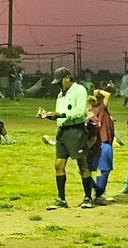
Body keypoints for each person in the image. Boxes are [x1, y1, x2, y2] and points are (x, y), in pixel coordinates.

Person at [37, 67, 95, 210]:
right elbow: (60, 115)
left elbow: (79, 113)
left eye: (59, 82)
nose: (58, 85)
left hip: (76, 130)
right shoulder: (60, 95)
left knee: (82, 164)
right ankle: (61, 199)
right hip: (62, 131)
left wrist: (60, 115)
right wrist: (48, 115)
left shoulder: (80, 90)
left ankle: (88, 197)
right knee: (59, 164)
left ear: (67, 78)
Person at [86, 88, 115, 202]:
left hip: (92, 144)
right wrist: (98, 91)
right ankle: (99, 192)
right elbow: (108, 94)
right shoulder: (101, 108)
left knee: (90, 170)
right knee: (104, 169)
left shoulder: (88, 113)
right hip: (103, 142)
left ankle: (97, 193)